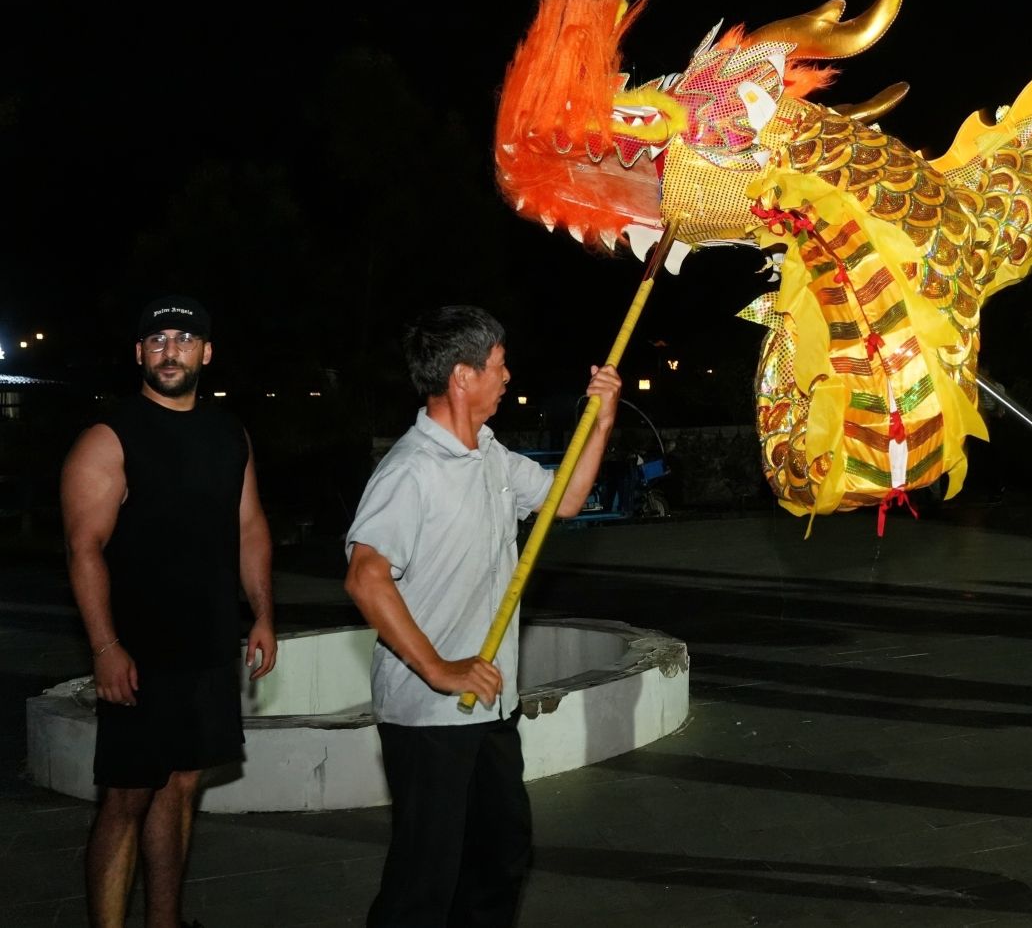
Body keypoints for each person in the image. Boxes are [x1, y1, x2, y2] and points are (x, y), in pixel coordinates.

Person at [345, 305, 622, 928]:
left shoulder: (489, 454)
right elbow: (365, 576)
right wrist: (440, 669)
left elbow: (565, 500)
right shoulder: (412, 470)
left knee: (500, 856)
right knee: (425, 882)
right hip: (428, 717)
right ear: (462, 377)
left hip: (491, 707)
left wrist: (602, 420)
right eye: (498, 365)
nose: (507, 376)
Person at [60, 295, 277, 928]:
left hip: (207, 642)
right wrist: (105, 647)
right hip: (137, 653)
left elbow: (251, 527)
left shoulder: (228, 433)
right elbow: (83, 548)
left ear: (206, 352)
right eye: (157, 340)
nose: (170, 350)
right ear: (139, 354)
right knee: (126, 797)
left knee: (181, 789)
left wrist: (263, 615)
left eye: (184, 339)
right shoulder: (109, 437)